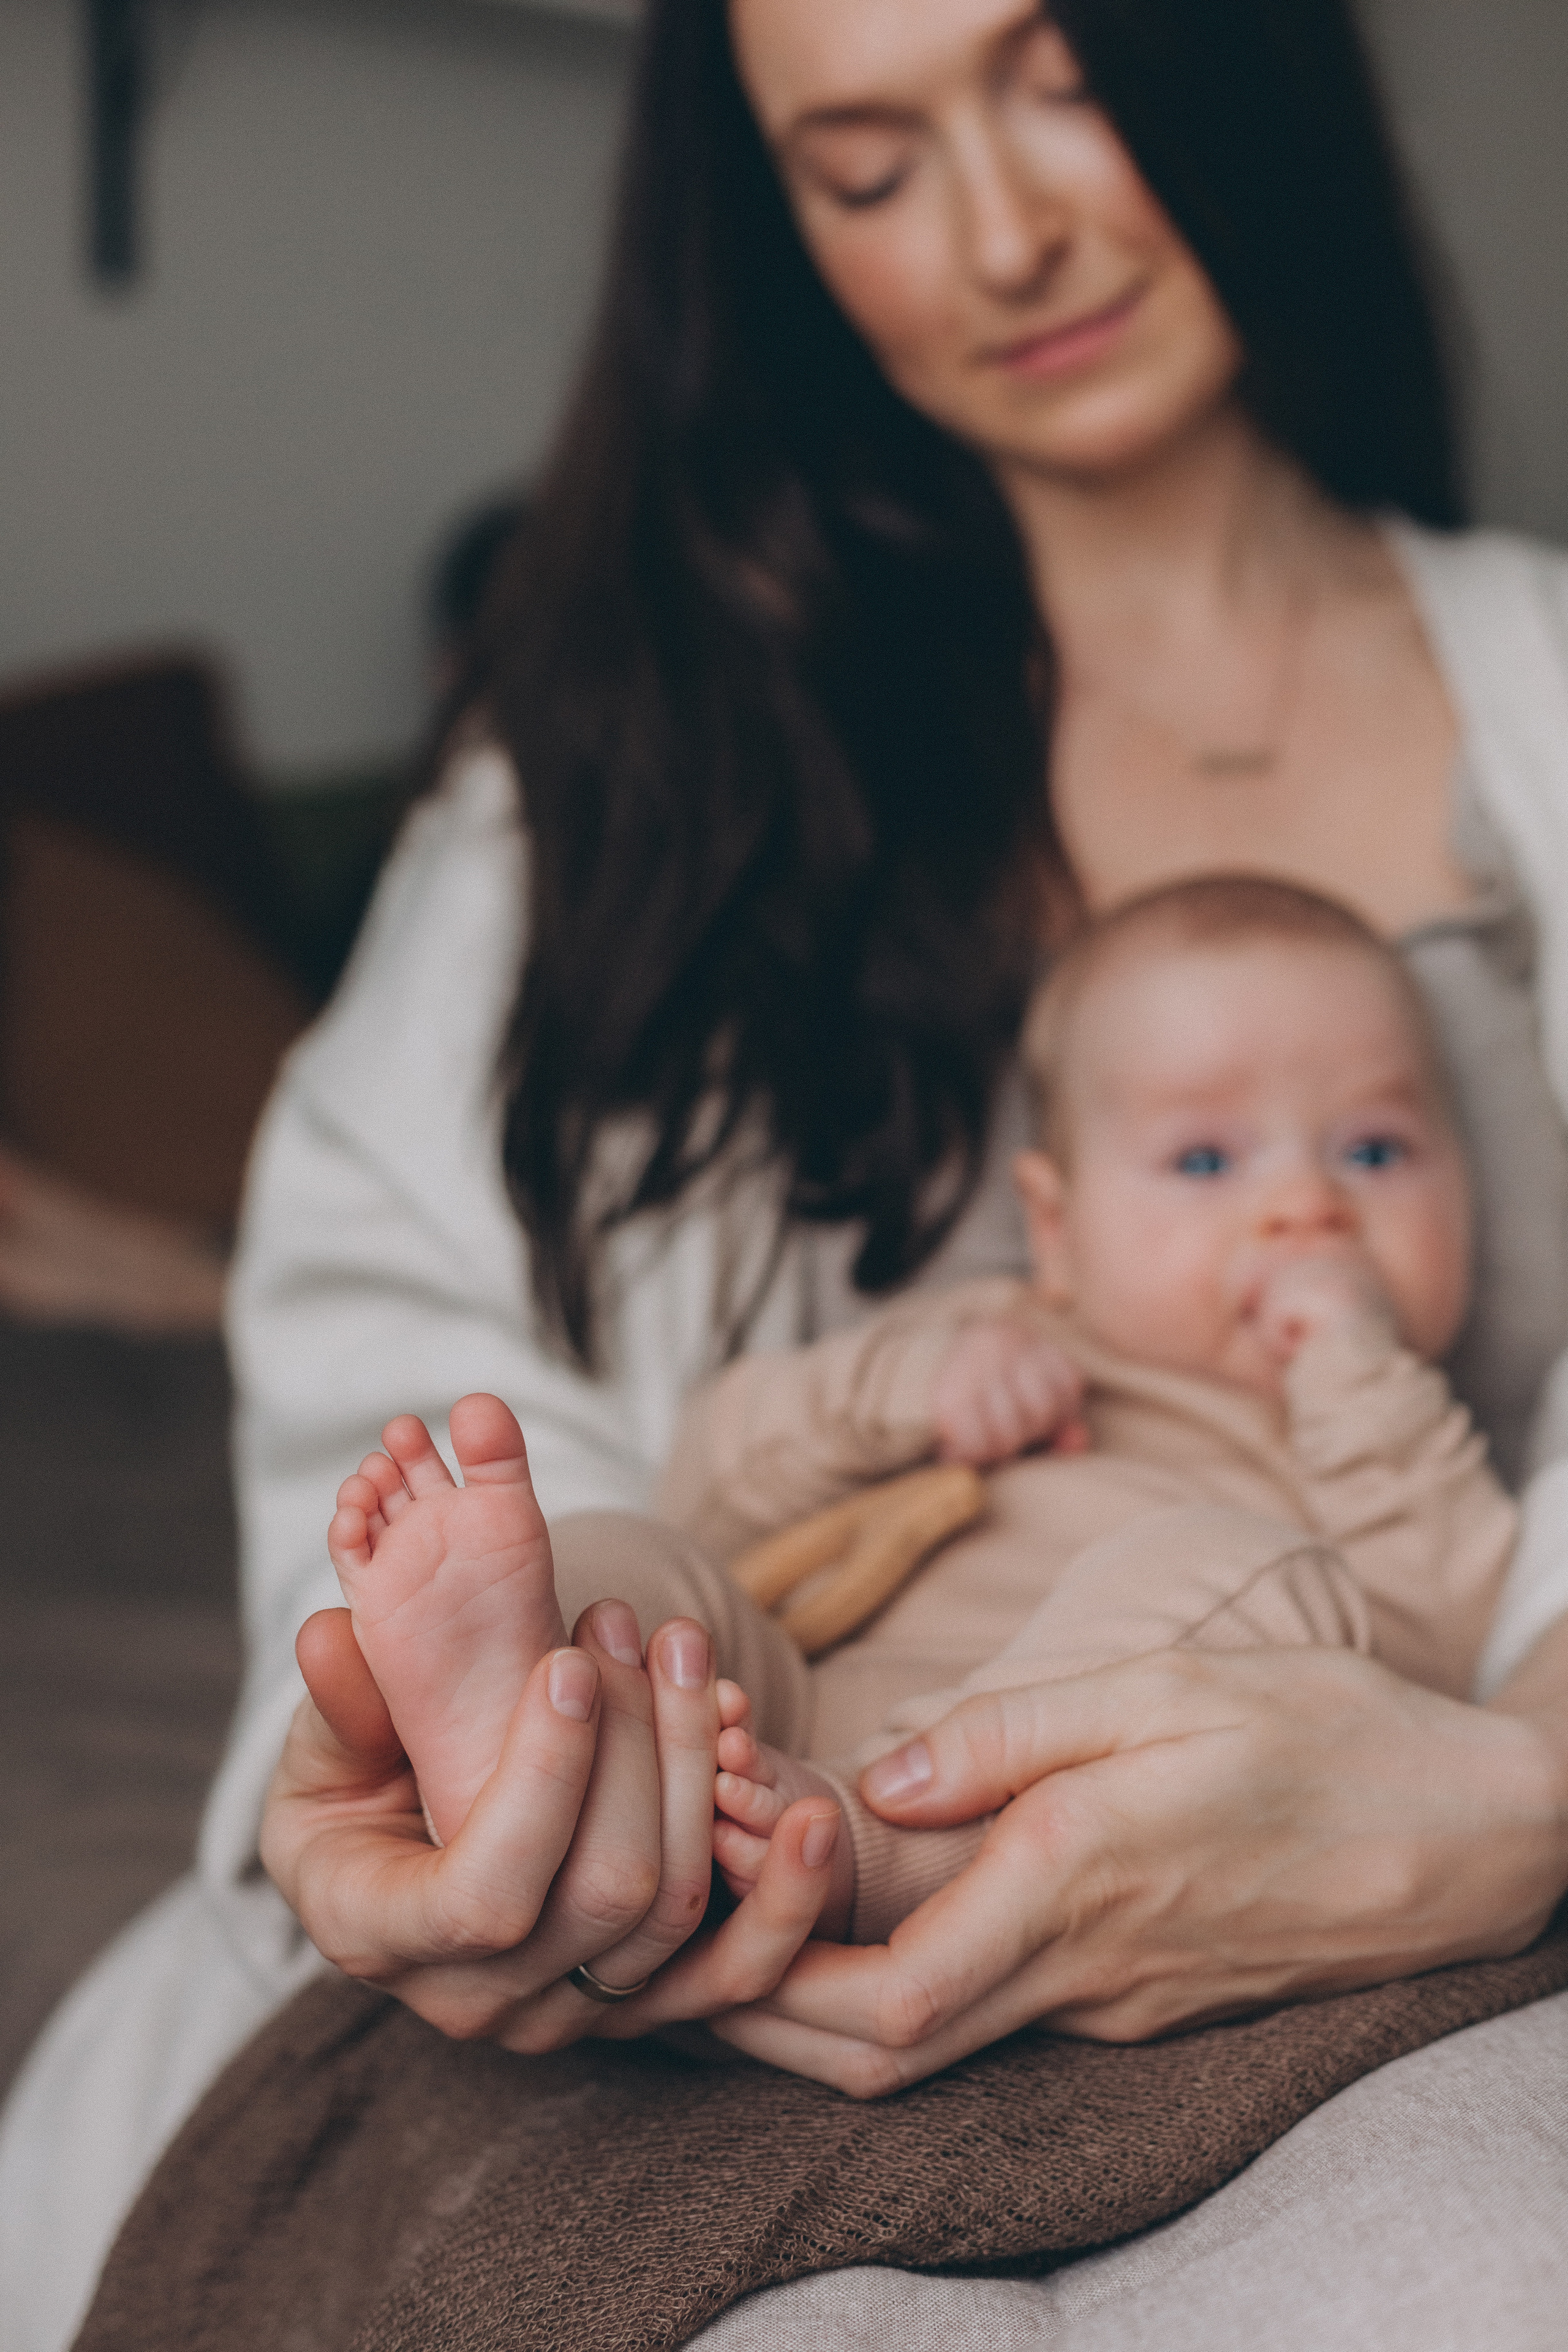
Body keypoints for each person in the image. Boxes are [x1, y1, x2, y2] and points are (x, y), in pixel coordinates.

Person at [4, 0, 1567, 2346]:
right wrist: (509, 1795)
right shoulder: (617, 773)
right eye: (865, 165)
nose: (1005, 231)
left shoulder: (1545, 700)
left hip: (1379, 1861)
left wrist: (1517, 1786)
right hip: (753, 1815)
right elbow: (407, 1352)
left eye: (1063, 81)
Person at [331, 875, 1515, 1948]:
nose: (1306, 1207)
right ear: (1055, 1228)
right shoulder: (991, 1336)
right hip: (779, 1697)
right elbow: (716, 1482)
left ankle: (872, 1845)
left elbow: (1431, 1647)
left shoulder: (1401, 1441)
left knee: (1242, 1568)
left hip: (1078, 1792)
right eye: (1207, 1162)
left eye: (1375, 1149)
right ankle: (521, 1712)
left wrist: (1359, 1373)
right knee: (635, 1563)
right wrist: (909, 1395)